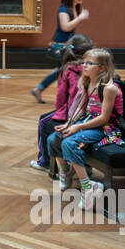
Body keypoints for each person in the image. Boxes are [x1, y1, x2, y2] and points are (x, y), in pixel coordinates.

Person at [45, 48, 124, 208]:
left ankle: (89, 187)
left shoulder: (109, 88)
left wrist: (78, 127)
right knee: (54, 139)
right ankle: (66, 171)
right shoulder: (89, 81)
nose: (84, 66)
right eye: (84, 62)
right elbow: (82, 107)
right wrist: (69, 124)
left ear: (102, 67)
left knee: (69, 143)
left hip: (106, 127)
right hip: (89, 121)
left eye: (89, 63)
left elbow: (104, 118)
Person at [30, 34, 94, 172]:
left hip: (70, 115)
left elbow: (60, 100)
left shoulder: (68, 70)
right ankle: (85, 166)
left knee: (44, 123)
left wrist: (59, 108)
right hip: (92, 115)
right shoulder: (96, 68)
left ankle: (45, 162)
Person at [31, 0, 88, 103]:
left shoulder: (74, 8)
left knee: (61, 71)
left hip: (68, 45)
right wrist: (80, 18)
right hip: (62, 46)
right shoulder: (63, 10)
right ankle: (60, 96)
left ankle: (41, 89)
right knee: (64, 71)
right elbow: (65, 27)